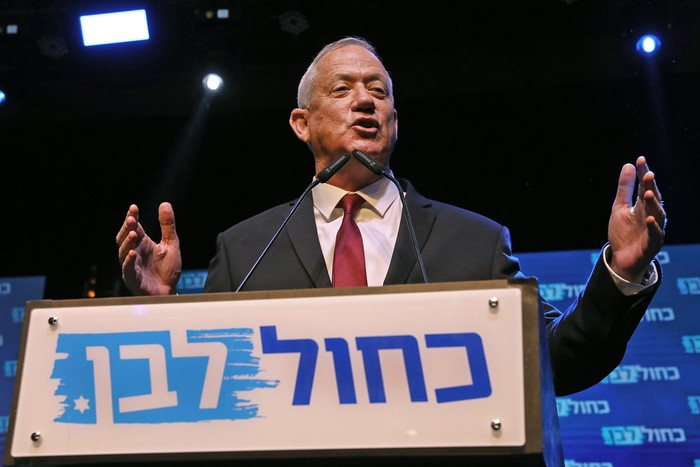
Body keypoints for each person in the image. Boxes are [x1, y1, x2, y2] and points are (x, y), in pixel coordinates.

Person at [116, 36, 667, 396]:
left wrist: (620, 272)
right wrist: (163, 314)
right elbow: (204, 386)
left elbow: (555, 363)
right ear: (301, 124)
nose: (365, 102)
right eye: (343, 90)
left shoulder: (472, 241)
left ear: (394, 122)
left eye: (378, 92)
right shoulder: (246, 247)